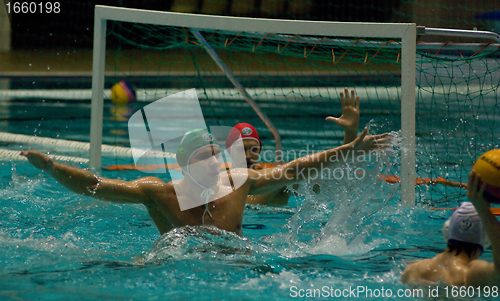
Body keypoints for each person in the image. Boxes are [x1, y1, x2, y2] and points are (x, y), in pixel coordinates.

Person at [21, 123, 388, 237]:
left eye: (216, 155)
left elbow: (296, 170)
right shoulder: (157, 192)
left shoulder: (239, 182)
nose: (215, 164)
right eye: (205, 157)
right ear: (183, 165)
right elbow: (95, 186)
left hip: (239, 265)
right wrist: (52, 168)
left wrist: (350, 149)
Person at [226, 88, 361, 205]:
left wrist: (350, 133)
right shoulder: (218, 182)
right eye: (242, 149)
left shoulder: (277, 180)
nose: (249, 155)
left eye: (254, 149)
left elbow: (336, 186)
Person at [401, 171, 500, 287]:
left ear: (447, 230)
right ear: (487, 239)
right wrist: (484, 210)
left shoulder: (413, 270)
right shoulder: (471, 274)